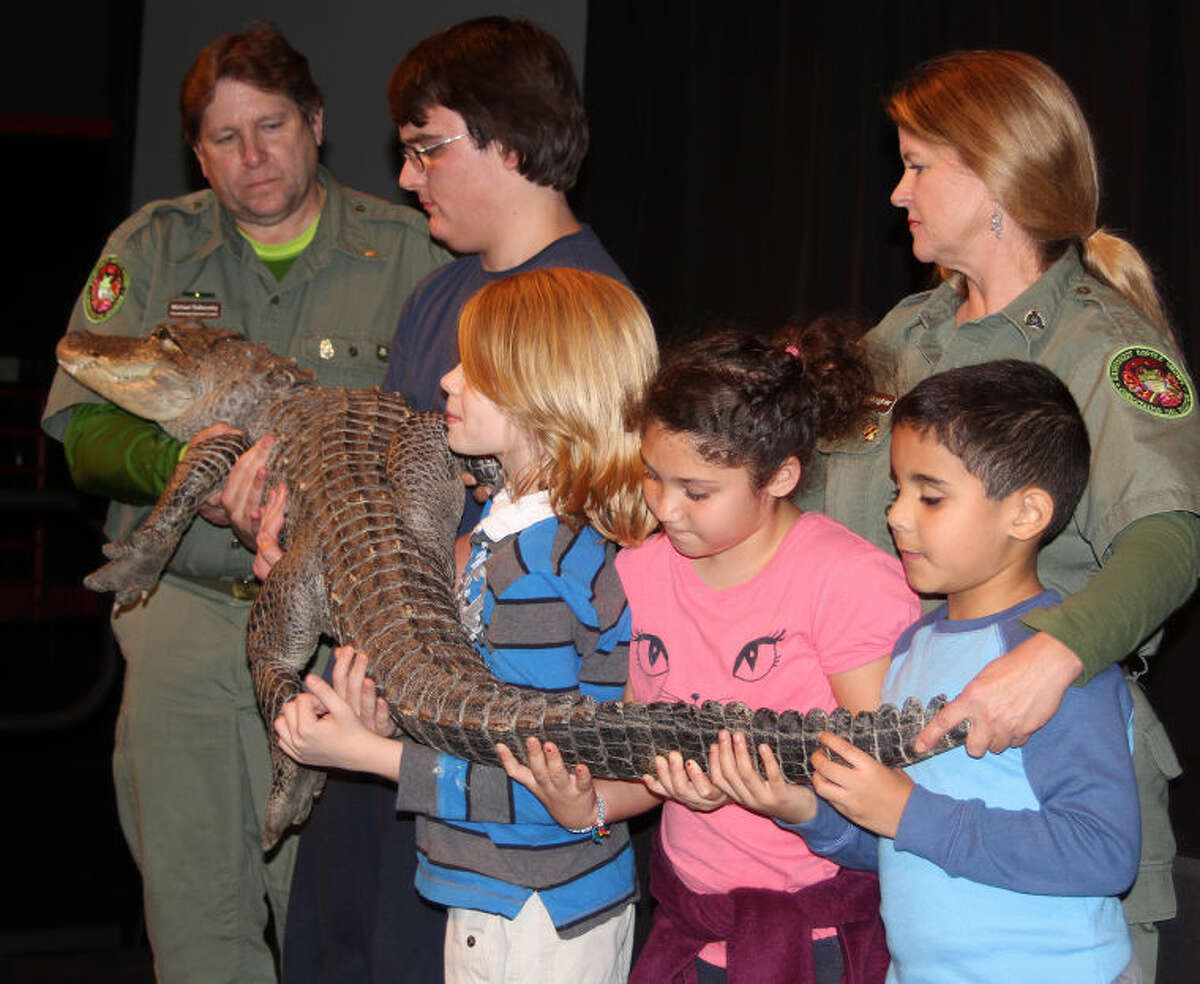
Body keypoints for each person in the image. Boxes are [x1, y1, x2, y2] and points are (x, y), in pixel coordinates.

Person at [40, 25, 448, 982]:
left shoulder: (411, 253)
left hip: (343, 638)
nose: (252, 155)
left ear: (316, 123)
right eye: (224, 137)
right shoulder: (152, 247)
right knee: (197, 926)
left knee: (333, 931)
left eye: (271, 127)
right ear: (197, 151)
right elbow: (79, 426)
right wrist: (188, 467)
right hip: (183, 621)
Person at [795, 50, 1199, 982]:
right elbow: (808, 521)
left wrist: (1053, 658)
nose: (897, 192)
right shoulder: (905, 335)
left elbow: (1172, 537)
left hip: (1049, 800)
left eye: (918, 165)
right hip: (906, 810)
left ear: (997, 180)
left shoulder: (1103, 347)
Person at [279, 18, 630, 982]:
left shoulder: (586, 313)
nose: (406, 176)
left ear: (507, 141)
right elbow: (384, 492)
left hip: (482, 768)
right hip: (384, 689)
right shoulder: (440, 296)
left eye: (427, 147)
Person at [498, 322, 920, 984]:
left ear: (781, 476)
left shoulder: (849, 581)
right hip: (689, 922)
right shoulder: (640, 571)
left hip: (817, 936)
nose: (667, 508)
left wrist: (784, 799)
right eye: (652, 476)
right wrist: (590, 806)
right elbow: (642, 759)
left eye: (697, 492)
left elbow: (889, 785)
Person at [272, 267, 659, 983]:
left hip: (537, 908)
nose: (447, 381)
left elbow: (540, 788)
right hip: (509, 894)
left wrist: (368, 754)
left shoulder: (540, 572)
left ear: (545, 396)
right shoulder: (515, 539)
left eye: (475, 370)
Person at [721, 360, 1141, 983]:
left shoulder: (1050, 662)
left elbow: (1103, 852)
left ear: (1026, 514)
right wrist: (807, 810)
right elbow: (903, 845)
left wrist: (907, 813)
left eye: (931, 496)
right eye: (898, 490)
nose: (897, 515)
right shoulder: (914, 647)